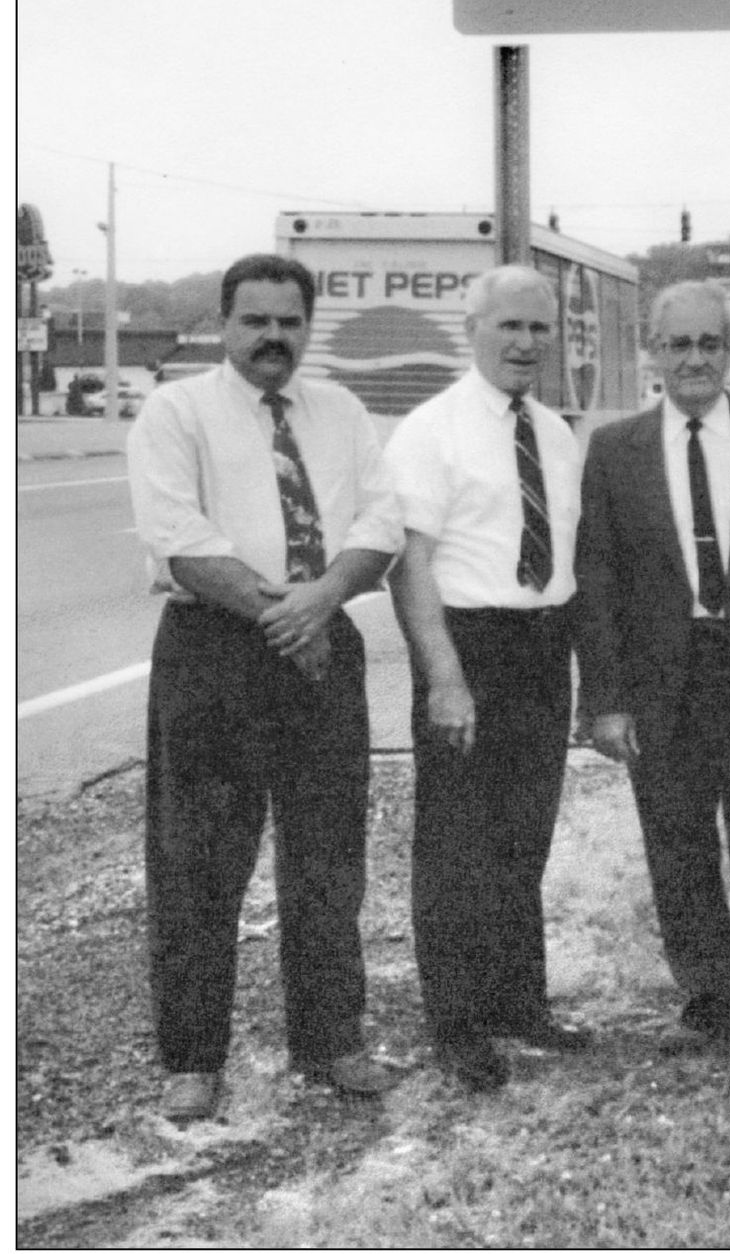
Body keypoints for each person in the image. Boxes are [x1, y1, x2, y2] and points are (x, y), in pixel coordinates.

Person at [127, 253, 403, 1123]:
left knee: (327, 859)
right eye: (256, 320)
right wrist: (288, 621)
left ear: (307, 327)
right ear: (223, 323)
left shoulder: (342, 412)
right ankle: (193, 1059)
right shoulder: (176, 412)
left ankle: (330, 1040)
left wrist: (324, 599)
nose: (273, 337)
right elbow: (181, 538)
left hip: (323, 638)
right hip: (213, 653)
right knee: (198, 863)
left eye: (289, 321)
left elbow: (380, 521)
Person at [575, 281, 730, 1049]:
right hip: (663, 683)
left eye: (708, 344)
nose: (694, 360)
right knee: (677, 844)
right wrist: (605, 701)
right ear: (654, 351)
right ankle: (707, 999)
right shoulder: (615, 449)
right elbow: (598, 578)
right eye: (678, 345)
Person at [384, 265, 592, 1092]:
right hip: (468, 649)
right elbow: (411, 566)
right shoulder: (429, 431)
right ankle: (458, 1026)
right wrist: (444, 679)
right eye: (508, 326)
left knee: (523, 837)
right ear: (472, 328)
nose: (524, 342)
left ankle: (518, 1004)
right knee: (456, 848)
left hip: (543, 650)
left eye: (538, 329)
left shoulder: (557, 432)